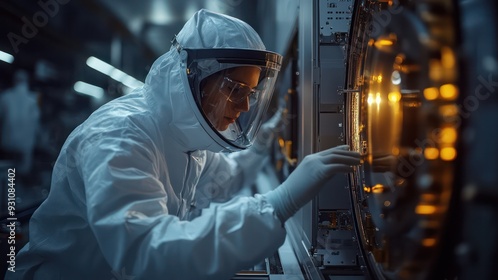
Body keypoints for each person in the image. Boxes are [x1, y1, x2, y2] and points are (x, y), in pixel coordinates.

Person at [7, 9, 360, 280]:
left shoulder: (186, 132)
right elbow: (146, 251)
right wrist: (278, 204)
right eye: (237, 90)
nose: (247, 107)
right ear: (194, 76)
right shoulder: (121, 137)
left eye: (252, 94)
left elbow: (225, 181)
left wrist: (268, 135)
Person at [0, 69, 40, 176]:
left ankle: (9, 191)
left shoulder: (5, 97)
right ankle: (15, 191)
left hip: (7, 146)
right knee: (20, 179)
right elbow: (36, 126)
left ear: (14, 81)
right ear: (27, 81)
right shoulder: (33, 100)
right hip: (25, 148)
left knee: (7, 177)